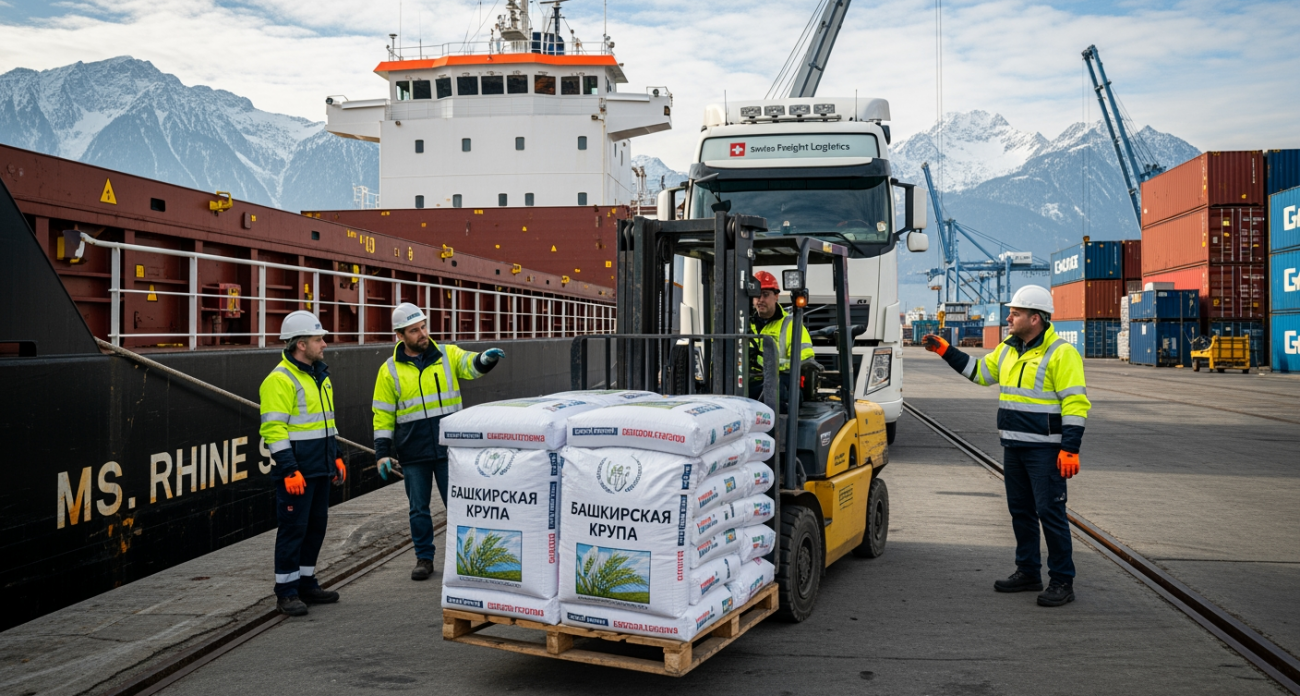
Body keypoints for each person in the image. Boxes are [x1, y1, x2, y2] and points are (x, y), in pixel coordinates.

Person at [921, 285, 1091, 607]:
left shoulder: (1061, 353)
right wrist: (947, 351)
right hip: (1013, 447)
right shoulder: (1008, 349)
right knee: (1021, 512)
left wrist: (1070, 448)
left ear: (1035, 318)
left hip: (1046, 451)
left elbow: (1075, 404)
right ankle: (1028, 571)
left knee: (1050, 513)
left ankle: (1062, 580)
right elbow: (980, 373)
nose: (1008, 317)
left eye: (1015, 312)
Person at [372, 303, 506, 581]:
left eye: (423, 327)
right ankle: (424, 558)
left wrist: (486, 360)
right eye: (414, 330)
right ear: (400, 336)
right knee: (418, 508)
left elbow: (471, 365)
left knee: (458, 505)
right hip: (413, 451)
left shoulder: (447, 354)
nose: (422, 334)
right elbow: (382, 415)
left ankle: (466, 557)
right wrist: (381, 453)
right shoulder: (389, 371)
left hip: (450, 448)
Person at [259, 310, 348, 616]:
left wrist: (335, 456)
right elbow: (273, 429)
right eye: (317, 339)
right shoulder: (280, 380)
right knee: (293, 530)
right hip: (297, 471)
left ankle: (307, 582)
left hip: (320, 467)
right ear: (300, 344)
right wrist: (289, 469)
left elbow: (326, 424)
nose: (324, 344)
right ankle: (286, 591)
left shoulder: (319, 376)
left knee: (315, 528)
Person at [748, 270, 815, 406]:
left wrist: (764, 363)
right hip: (751, 382)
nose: (760, 300)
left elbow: (804, 361)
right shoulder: (743, 324)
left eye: (765, 295)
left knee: (773, 389)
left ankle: (774, 426)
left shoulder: (791, 325)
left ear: (776, 296)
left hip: (780, 383)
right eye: (757, 296)